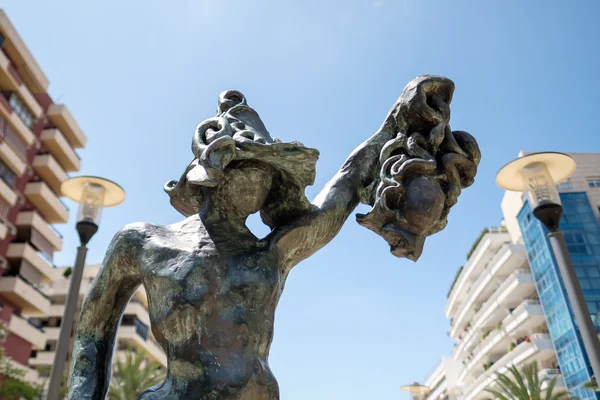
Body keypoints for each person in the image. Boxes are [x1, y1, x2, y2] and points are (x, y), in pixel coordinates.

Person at [67, 75, 479, 400]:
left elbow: (348, 183)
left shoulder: (273, 253)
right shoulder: (142, 243)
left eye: (271, 174)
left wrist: (398, 121)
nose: (262, 181)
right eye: (251, 167)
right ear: (217, 170)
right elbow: (93, 330)